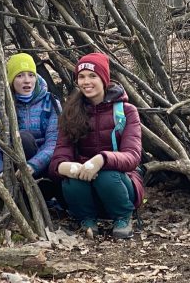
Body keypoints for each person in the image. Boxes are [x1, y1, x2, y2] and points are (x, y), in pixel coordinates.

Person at [48, 53, 144, 239]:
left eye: (93, 76)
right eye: (82, 77)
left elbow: (132, 156)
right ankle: (87, 220)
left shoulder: (126, 111)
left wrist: (102, 159)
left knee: (106, 176)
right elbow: (58, 158)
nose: (86, 82)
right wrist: (66, 167)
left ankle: (123, 217)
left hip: (118, 185)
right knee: (71, 179)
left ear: (104, 79)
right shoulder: (71, 112)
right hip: (86, 188)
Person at [0, 53, 59, 180]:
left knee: (24, 138)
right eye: (19, 76)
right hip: (14, 169)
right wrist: (1, 171)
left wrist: (34, 165)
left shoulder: (50, 103)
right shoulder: (1, 107)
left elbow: (54, 142)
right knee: (23, 139)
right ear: (11, 80)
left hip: (45, 168)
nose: (27, 80)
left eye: (31, 75)